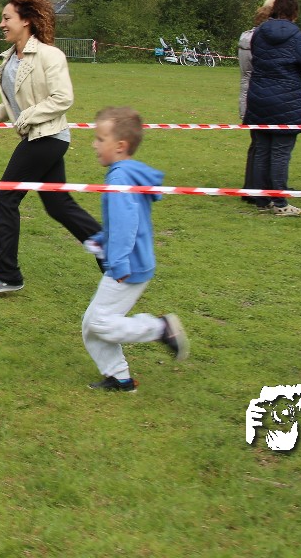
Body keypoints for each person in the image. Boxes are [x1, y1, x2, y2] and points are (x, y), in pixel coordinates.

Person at [0, 0, 101, 295]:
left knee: (5, 197)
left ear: (26, 21)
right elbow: (15, 102)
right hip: (38, 137)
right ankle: (108, 250)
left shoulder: (49, 55)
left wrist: (26, 117)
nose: (1, 24)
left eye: (7, 18)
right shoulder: (9, 59)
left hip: (48, 137)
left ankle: (7, 274)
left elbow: (62, 98)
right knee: (58, 204)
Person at [80, 107, 187, 391]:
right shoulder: (127, 173)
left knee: (99, 323)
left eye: (100, 139)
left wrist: (118, 262)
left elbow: (126, 225)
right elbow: (125, 221)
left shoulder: (119, 179)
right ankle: (120, 378)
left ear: (120, 146)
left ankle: (160, 329)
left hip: (128, 265)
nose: (94, 144)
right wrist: (102, 240)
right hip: (131, 260)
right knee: (92, 323)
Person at [244, 0, 301, 216]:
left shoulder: (258, 33)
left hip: (259, 97)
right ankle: (280, 203)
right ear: (295, 13)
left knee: (262, 151)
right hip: (286, 100)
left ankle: (262, 200)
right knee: (280, 153)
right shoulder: (297, 36)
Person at [237, 0, 276, 199]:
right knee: (262, 145)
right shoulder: (259, 41)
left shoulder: (247, 38)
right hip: (257, 96)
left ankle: (252, 186)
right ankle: (258, 189)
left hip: (249, 94)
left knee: (258, 144)